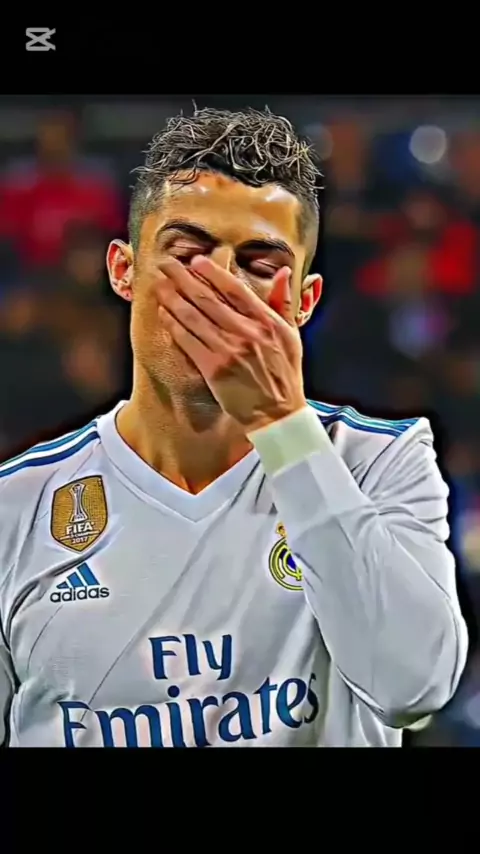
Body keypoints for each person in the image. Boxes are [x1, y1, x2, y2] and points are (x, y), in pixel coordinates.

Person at [0, 108, 468, 748]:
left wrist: (280, 423)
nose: (220, 285)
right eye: (187, 253)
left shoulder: (379, 461)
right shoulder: (16, 504)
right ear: (123, 270)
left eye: (258, 263)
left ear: (303, 303)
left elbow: (413, 690)